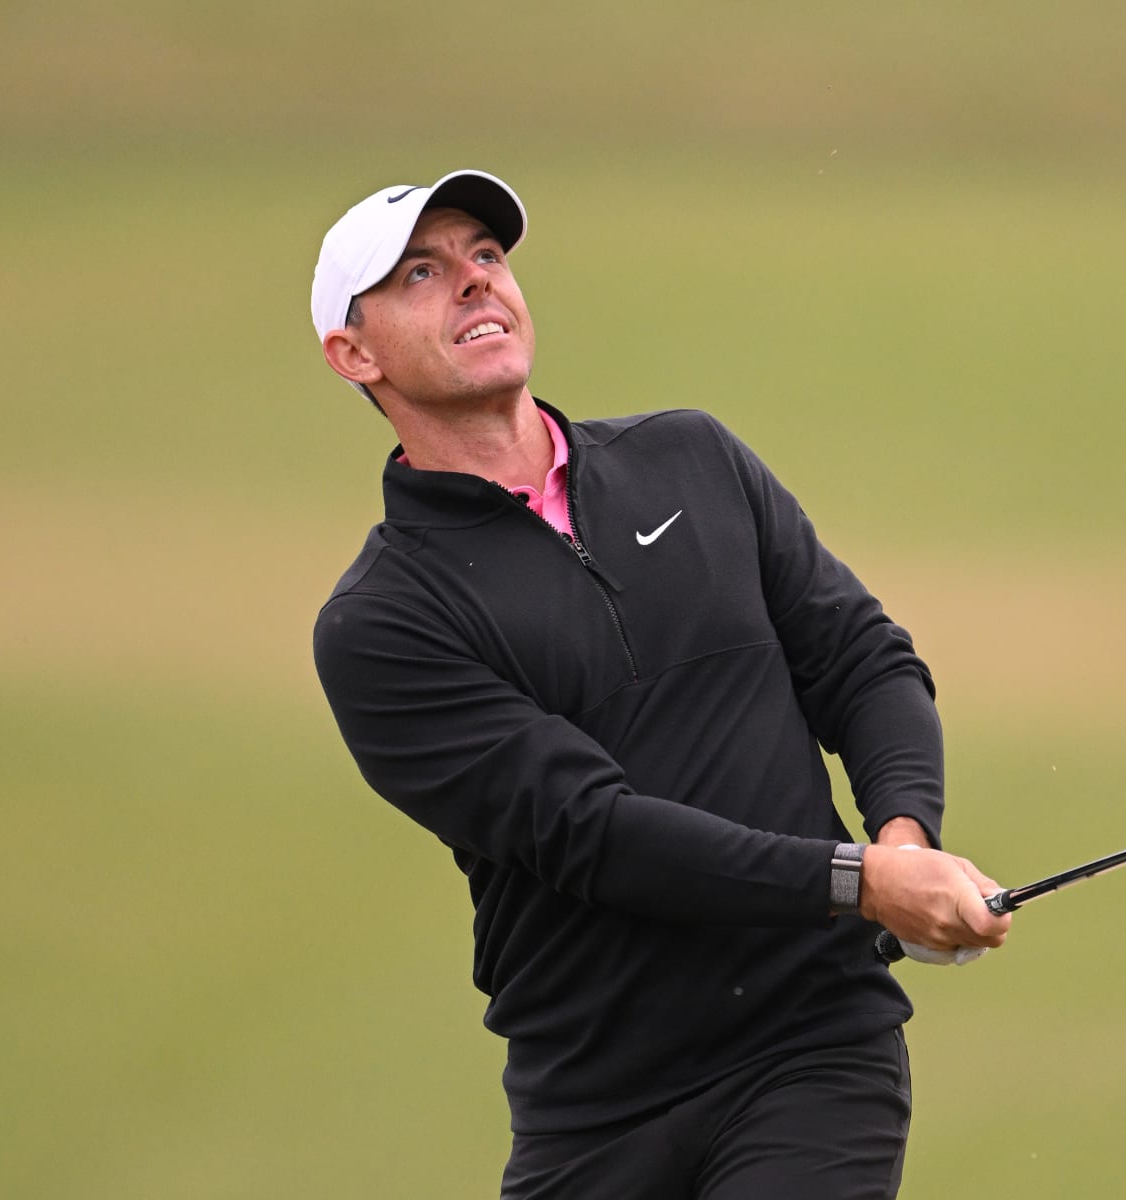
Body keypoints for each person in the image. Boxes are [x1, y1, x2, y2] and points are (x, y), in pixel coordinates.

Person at [308, 169, 1012, 1199]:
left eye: (487, 258)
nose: (474, 285)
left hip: (811, 1045)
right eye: (422, 273)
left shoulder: (693, 459)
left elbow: (863, 659)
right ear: (354, 352)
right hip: (595, 1107)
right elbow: (589, 831)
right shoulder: (384, 622)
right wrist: (859, 883)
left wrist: (904, 834)